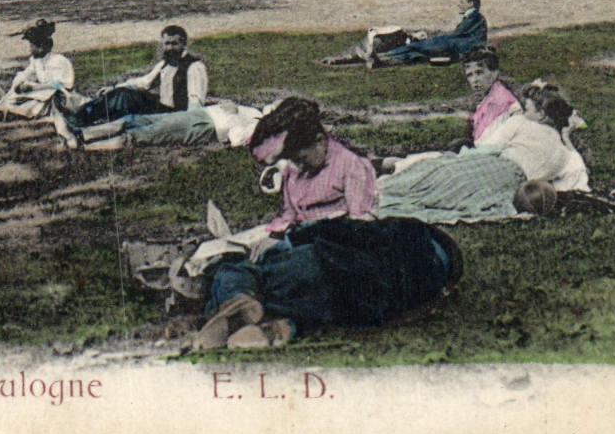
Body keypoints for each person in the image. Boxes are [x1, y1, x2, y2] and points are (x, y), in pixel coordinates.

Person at [192, 218, 461, 349]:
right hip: (363, 302)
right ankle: (278, 327)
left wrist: (293, 237)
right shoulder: (431, 280)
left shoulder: (407, 229)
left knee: (237, 268)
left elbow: (337, 229)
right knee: (308, 306)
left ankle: (240, 299)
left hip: (325, 266)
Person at [249, 97, 376, 234]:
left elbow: (361, 226)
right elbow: (290, 212)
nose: (298, 167)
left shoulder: (351, 164)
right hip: (301, 235)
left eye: (302, 159)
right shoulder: (295, 167)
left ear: (319, 141)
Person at [74, 25, 208, 129]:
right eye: (166, 44)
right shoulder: (165, 64)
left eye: (174, 44)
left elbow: (195, 101)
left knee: (124, 98)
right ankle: (83, 113)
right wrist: (114, 87)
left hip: (175, 114)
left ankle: (81, 117)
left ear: (184, 44)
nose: (169, 48)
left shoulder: (194, 67)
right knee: (123, 93)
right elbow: (145, 83)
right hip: (161, 108)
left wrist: (188, 124)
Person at [77, 98, 265, 153]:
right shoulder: (256, 112)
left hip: (203, 125)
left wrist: (232, 114)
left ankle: (84, 147)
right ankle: (82, 134)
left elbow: (237, 139)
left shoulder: (260, 125)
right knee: (132, 120)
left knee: (141, 134)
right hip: (198, 115)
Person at [368, 0, 488, 68]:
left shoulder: (474, 16)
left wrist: (434, 38)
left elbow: (456, 34)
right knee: (416, 51)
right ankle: (384, 60)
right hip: (458, 45)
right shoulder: (473, 17)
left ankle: (384, 56)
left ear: (471, 4)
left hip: (459, 46)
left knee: (417, 46)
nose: (458, 4)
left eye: (462, 2)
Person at [0, 19, 76, 122]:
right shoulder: (36, 61)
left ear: (41, 47)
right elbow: (26, 73)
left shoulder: (58, 60)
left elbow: (59, 84)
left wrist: (35, 87)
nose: (30, 49)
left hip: (58, 94)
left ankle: (16, 113)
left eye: (32, 45)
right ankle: (0, 110)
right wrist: (20, 83)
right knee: (16, 95)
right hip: (42, 91)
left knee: (40, 101)